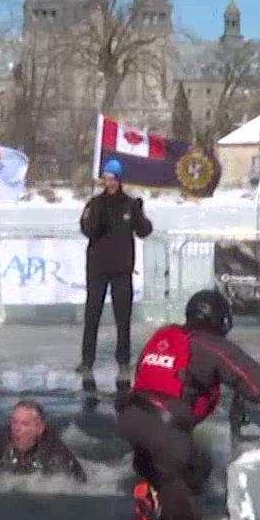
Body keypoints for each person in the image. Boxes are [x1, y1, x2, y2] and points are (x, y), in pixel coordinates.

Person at [118, 289, 260, 520]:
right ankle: (156, 506)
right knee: (189, 508)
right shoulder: (210, 344)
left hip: (131, 417)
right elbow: (258, 388)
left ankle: (152, 487)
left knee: (189, 464)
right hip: (165, 432)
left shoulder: (165, 335)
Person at [77, 158, 153, 389]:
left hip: (121, 269)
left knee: (123, 318)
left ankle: (123, 359)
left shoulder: (129, 204)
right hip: (98, 268)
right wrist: (97, 211)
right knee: (93, 316)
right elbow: (88, 230)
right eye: (106, 178)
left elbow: (144, 231)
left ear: (119, 180)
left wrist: (139, 214)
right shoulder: (95, 203)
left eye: (113, 178)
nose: (109, 182)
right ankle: (87, 359)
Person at [0, 399, 87, 482]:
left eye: (24, 424)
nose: (16, 428)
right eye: (14, 422)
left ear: (40, 428)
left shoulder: (56, 453)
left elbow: (79, 484)